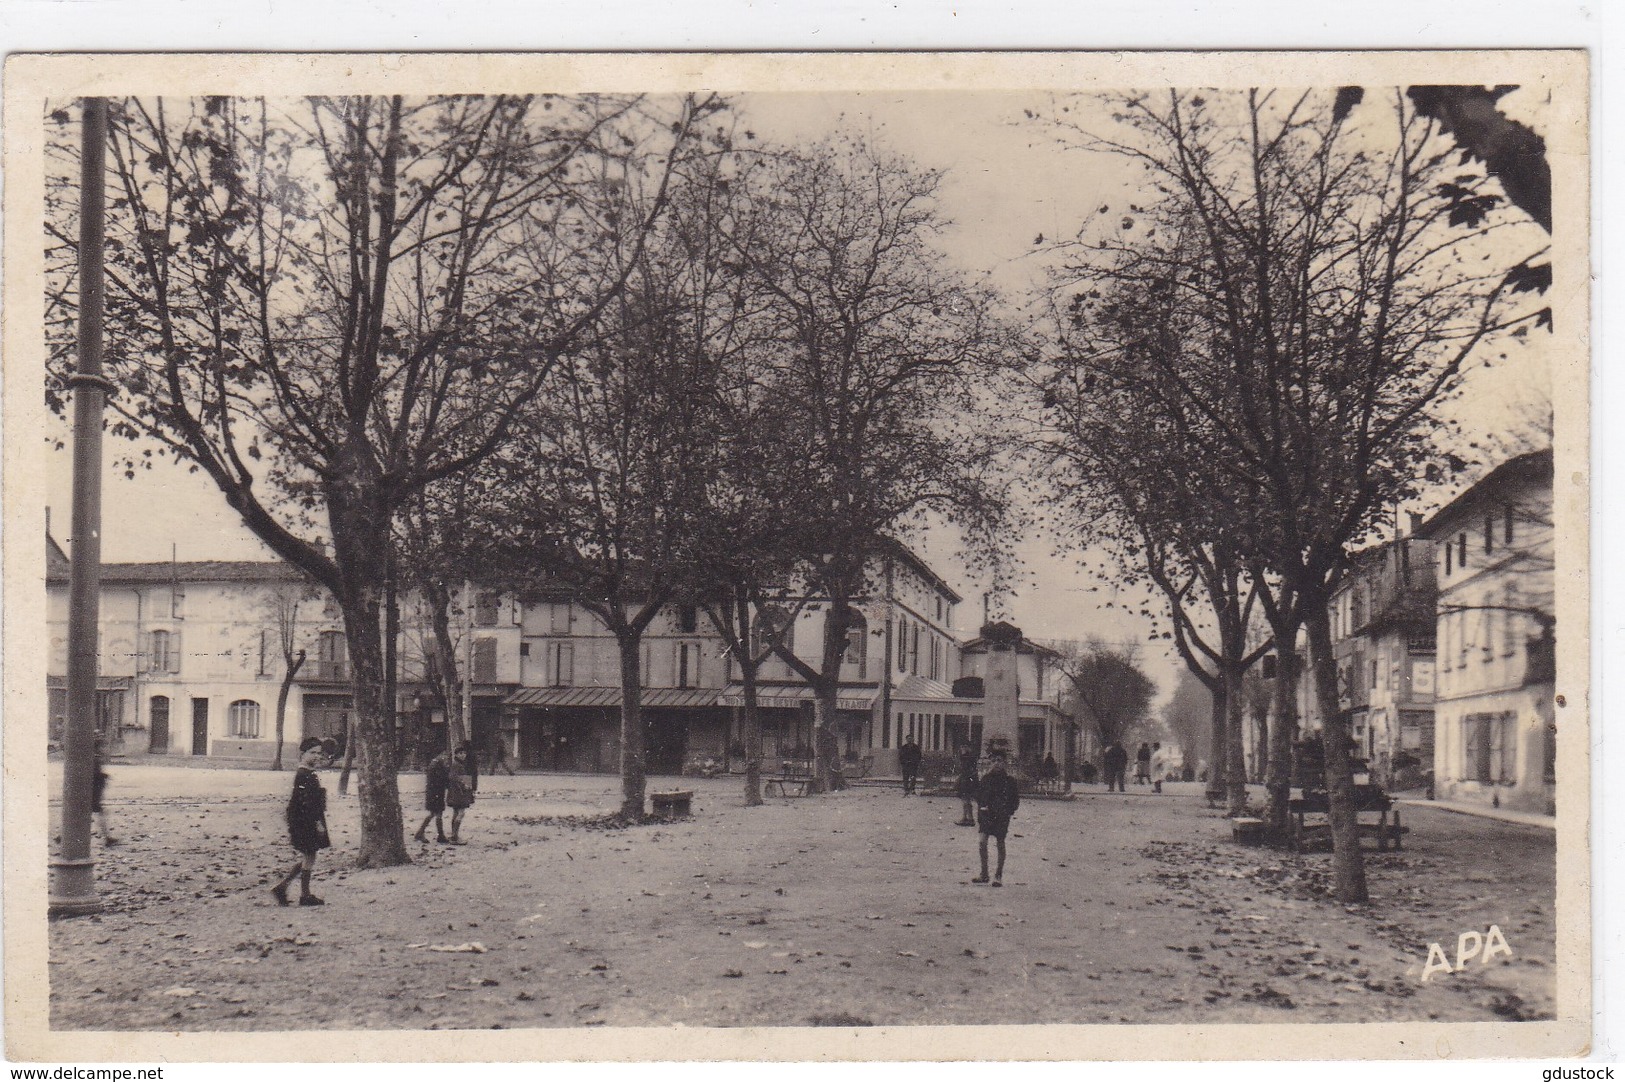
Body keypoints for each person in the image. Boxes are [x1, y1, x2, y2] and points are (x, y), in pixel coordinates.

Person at [271, 737, 331, 906]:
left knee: (309, 855)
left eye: (319, 753)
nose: (317, 756)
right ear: (303, 754)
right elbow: (307, 803)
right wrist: (317, 823)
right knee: (309, 854)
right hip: (305, 820)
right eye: (313, 753)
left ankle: (285, 888)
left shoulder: (308, 773)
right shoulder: (304, 775)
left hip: (305, 819)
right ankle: (302, 894)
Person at [971, 752, 1020, 887]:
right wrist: (982, 808)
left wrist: (1007, 812)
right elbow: (978, 795)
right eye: (993, 761)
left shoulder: (1010, 781)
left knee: (1000, 843)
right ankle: (984, 873)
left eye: (999, 760)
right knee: (982, 842)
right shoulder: (985, 779)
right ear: (989, 763)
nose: (996, 763)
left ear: (1004, 763)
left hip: (1001, 817)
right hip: (986, 816)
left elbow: (1015, 801)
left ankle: (998, 875)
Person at [413, 749, 451, 844]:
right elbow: (443, 779)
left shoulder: (434, 763)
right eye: (445, 755)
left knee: (436, 813)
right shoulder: (438, 765)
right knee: (435, 813)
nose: (446, 758)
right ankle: (434, 834)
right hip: (436, 793)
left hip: (433, 792)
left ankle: (436, 834)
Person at [445, 741, 478, 844]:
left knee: (456, 812)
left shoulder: (458, 764)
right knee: (461, 813)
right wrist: (465, 785)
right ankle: (455, 837)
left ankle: (454, 835)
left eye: (464, 753)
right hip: (460, 793)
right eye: (460, 753)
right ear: (456, 754)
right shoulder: (457, 765)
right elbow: (453, 777)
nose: (463, 755)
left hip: (457, 792)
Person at [92, 737, 117, 845]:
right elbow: (94, 775)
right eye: (104, 746)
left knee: (81, 816)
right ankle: (107, 838)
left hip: (92, 792)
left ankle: (62, 836)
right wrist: (103, 776)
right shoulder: (95, 759)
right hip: (93, 793)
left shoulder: (95, 757)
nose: (106, 749)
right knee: (100, 813)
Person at [954, 745, 979, 826]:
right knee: (965, 800)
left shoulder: (966, 759)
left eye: (963, 747)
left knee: (965, 800)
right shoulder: (970, 758)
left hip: (967, 780)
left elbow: (965, 770)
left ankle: (969, 818)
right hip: (968, 779)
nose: (962, 749)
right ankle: (966, 817)